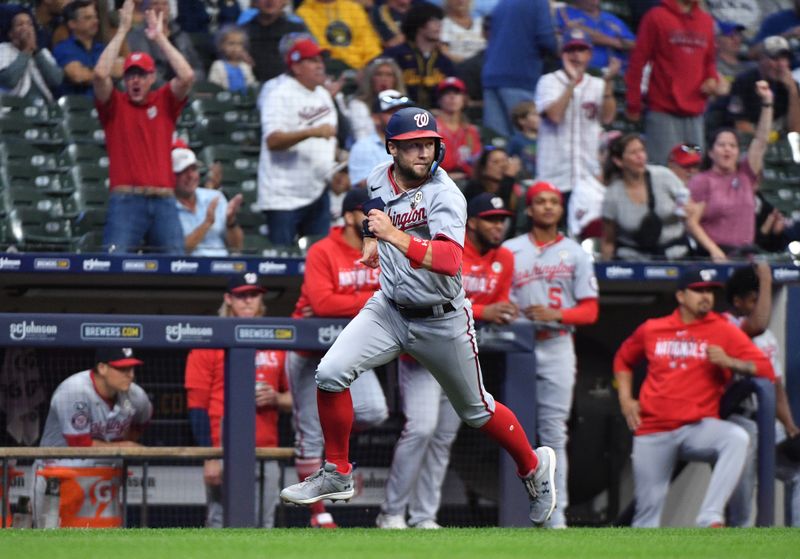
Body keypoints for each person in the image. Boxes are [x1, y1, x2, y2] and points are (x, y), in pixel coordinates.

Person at [279, 107, 558, 528]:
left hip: (442, 318)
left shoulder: (446, 194)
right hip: (389, 308)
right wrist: (374, 239)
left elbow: (448, 259)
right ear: (393, 148)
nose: (423, 152)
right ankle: (337, 471)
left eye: (428, 144)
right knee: (330, 373)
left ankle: (532, 467)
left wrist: (393, 235)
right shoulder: (378, 174)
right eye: (412, 145)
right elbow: (374, 206)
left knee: (477, 411)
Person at [376, 192, 519, 530]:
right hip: (422, 353)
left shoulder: (506, 259)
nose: (498, 226)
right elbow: (434, 297)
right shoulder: (445, 246)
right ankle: (391, 512)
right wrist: (483, 310)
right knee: (421, 429)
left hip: (459, 354)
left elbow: (501, 307)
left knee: (442, 439)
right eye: (490, 219)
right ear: (472, 223)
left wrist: (492, 312)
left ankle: (424, 515)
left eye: (501, 220)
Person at [613, 266, 775, 528]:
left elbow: (764, 368)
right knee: (646, 518)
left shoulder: (722, 329)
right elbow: (623, 359)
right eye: (698, 291)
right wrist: (625, 399)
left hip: (696, 426)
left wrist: (731, 362)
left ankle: (709, 516)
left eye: (710, 292)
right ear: (680, 296)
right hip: (653, 428)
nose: (706, 297)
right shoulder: (653, 328)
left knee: (736, 438)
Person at [285, 188, 389, 529]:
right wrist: (369, 299)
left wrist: (349, 299)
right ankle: (319, 515)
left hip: (349, 346)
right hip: (308, 350)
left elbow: (388, 297)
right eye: (366, 214)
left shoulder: (383, 249)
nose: (374, 219)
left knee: (375, 410)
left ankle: (332, 435)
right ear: (348, 217)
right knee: (310, 434)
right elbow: (323, 303)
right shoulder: (322, 250)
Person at [503, 181, 600, 528]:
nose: (547, 207)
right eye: (539, 202)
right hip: (518, 347)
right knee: (514, 431)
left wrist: (557, 315)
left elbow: (590, 312)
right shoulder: (510, 250)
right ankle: (517, 510)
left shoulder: (575, 252)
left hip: (557, 343)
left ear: (560, 210)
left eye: (553, 202)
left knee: (554, 431)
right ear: (528, 210)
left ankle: (556, 515)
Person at [185, 273, 293, 528]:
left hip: (267, 449)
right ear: (228, 299)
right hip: (224, 451)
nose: (247, 301)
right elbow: (197, 407)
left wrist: (277, 398)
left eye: (253, 295)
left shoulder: (277, 342)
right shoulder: (209, 340)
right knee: (220, 523)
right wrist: (209, 456)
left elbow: (297, 398)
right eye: (241, 295)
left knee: (263, 525)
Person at [93, 0, 195, 254]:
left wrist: (159, 38)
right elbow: (99, 75)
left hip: (163, 200)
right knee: (113, 265)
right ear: (125, 79)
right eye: (130, 75)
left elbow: (187, 76)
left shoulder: (163, 101)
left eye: (141, 74)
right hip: (127, 200)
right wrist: (121, 31)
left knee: (177, 267)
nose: (135, 80)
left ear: (152, 78)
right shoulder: (114, 104)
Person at [32, 347, 152, 527]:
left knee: (104, 543)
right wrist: (123, 447)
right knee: (52, 542)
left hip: (103, 478)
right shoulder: (73, 390)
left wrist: (124, 441)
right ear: (102, 368)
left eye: (131, 369)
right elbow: (79, 445)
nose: (130, 375)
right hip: (57, 475)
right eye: (122, 369)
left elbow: (143, 420)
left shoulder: (135, 395)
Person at [723, 263, 800, 527]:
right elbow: (757, 323)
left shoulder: (767, 339)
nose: (761, 305)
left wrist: (789, 425)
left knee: (798, 472)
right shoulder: (728, 327)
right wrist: (766, 279)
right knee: (741, 512)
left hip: (769, 424)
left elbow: (776, 387)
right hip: (739, 423)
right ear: (738, 301)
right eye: (755, 300)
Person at [534, 28, 618, 239]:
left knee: (587, 238)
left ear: (589, 55)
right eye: (571, 50)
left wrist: (607, 85)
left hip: (588, 177)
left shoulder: (598, 85)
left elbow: (608, 117)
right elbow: (554, 115)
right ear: (563, 53)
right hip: (554, 175)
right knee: (552, 239)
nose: (576, 55)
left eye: (582, 50)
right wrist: (571, 83)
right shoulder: (548, 82)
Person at [256, 37, 338, 248]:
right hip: (284, 195)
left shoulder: (323, 95)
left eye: (320, 60)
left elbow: (328, 138)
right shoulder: (279, 94)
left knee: (318, 257)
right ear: (296, 66)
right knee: (281, 262)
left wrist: (338, 163)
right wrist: (311, 131)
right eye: (312, 60)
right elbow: (273, 141)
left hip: (318, 190)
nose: (320, 65)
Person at [625, 0, 723, 165]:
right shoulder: (656, 17)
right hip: (663, 112)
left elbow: (709, 61)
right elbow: (638, 62)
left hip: (694, 116)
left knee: (692, 166)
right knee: (664, 169)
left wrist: (712, 79)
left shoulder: (706, 21)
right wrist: (633, 103)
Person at [686, 81, 773, 261]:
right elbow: (691, 222)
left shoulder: (746, 174)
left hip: (745, 254)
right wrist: (714, 250)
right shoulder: (702, 181)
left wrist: (767, 103)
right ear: (711, 152)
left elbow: (761, 140)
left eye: (732, 145)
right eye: (722, 145)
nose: (727, 149)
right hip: (714, 255)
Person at [600, 134, 692, 260]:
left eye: (642, 150)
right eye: (633, 153)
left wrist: (688, 211)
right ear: (619, 161)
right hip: (633, 261)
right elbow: (608, 240)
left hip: (675, 255)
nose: (640, 156)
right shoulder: (613, 194)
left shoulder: (664, 176)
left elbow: (691, 208)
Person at [481, 0, 558, 138]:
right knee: (526, 140)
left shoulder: (502, 3)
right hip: (519, 76)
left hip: (491, 76)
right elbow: (546, 39)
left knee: (497, 141)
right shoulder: (538, 3)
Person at [173, 145, 244, 256]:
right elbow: (177, 250)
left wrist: (231, 222)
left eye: (194, 169)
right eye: (184, 171)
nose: (191, 176)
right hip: (187, 268)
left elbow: (237, 247)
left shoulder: (215, 197)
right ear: (172, 176)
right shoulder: (167, 206)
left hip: (222, 266)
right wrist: (206, 223)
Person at [382, 2, 455, 110]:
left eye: (440, 21)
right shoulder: (395, 55)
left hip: (437, 120)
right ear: (420, 24)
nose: (439, 25)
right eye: (433, 21)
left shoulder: (444, 61)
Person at [726, 36, 800, 135]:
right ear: (761, 58)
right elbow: (741, 125)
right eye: (775, 58)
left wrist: (793, 91)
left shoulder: (792, 86)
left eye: (784, 58)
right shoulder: (744, 82)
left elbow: (795, 131)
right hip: (750, 140)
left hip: (781, 143)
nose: (781, 64)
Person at [126, 0, 205, 84]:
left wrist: (189, 80)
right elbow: (144, 69)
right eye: (155, 4)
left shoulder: (180, 34)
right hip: (158, 88)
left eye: (164, 4)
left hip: (186, 86)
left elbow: (198, 67)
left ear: (169, 9)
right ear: (147, 10)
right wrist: (170, 87)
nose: (160, 8)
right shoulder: (138, 34)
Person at [348, 89, 413, 188]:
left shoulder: (416, 144)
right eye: (392, 112)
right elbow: (362, 187)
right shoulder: (362, 147)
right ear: (375, 118)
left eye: (403, 112)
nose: (400, 117)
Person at [297, 0, 382, 71]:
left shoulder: (353, 8)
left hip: (361, 68)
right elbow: (317, 47)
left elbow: (370, 44)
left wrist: (367, 67)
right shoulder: (303, 14)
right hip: (328, 68)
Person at [0, 6, 62, 103]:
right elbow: (8, 81)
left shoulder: (43, 52)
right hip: (14, 108)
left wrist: (36, 52)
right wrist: (26, 51)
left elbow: (56, 80)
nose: (26, 28)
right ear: (11, 33)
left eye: (30, 24)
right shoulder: (3, 49)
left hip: (44, 106)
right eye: (20, 24)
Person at [555, 0, 636, 72]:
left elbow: (634, 44)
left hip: (616, 75)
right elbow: (573, 32)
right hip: (577, 74)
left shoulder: (612, 19)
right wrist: (615, 42)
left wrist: (614, 42)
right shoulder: (563, 13)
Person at [53, 0, 110, 97]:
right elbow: (78, 76)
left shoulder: (102, 48)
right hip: (77, 108)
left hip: (103, 107)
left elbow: (120, 69)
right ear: (72, 24)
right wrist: (105, 74)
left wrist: (89, 73)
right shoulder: (63, 48)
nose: (95, 21)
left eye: (95, 17)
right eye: (88, 18)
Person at [462, 147, 523, 236]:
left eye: (505, 161)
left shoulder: (515, 191)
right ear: (483, 168)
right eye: (496, 162)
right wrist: (508, 179)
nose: (503, 166)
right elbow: (499, 214)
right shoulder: (474, 188)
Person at [243, 0, 308, 83]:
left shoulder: (297, 30)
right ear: (255, 2)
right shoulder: (244, 31)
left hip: (288, 85)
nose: (270, 1)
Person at [433, 76, 481, 182]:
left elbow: (476, 164)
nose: (452, 97)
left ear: (464, 99)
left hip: (467, 182)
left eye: (457, 93)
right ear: (439, 99)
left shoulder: (471, 131)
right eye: (447, 93)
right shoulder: (432, 128)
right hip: (437, 181)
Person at [347, 56, 406, 142]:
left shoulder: (404, 104)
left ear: (396, 80)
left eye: (389, 75)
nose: (384, 79)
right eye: (379, 74)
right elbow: (362, 138)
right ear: (370, 79)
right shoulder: (358, 104)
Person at [207, 25, 256, 93]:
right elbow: (213, 88)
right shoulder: (218, 65)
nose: (235, 48)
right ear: (221, 45)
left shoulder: (245, 66)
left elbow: (252, 86)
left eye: (239, 44)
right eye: (231, 43)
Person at [439, 0, 486, 65]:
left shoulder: (481, 24)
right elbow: (443, 51)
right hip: (458, 67)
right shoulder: (443, 24)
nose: (461, 1)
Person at [506, 100, 539, 179]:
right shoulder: (516, 141)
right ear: (522, 120)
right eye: (535, 115)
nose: (540, 118)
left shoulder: (547, 139)